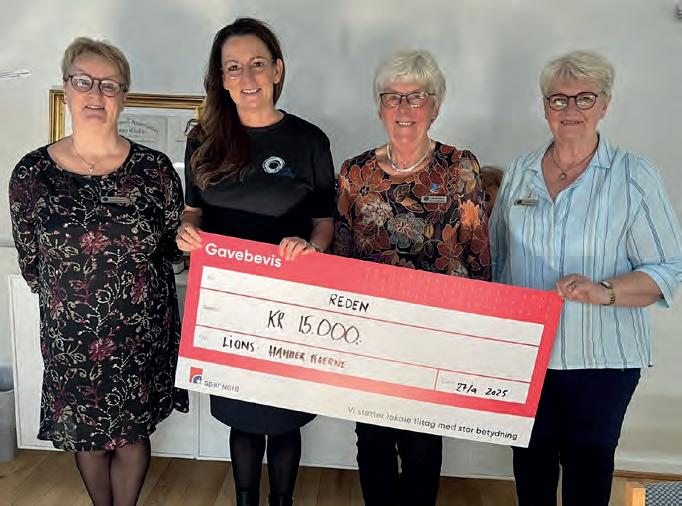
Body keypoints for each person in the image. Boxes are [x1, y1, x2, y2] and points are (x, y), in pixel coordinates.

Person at [489, 50, 682, 506]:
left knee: (587, 479)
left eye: (584, 98)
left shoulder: (634, 177)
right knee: (531, 471)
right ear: (545, 106)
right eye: (558, 99)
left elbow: (668, 268)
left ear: (605, 105)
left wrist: (604, 291)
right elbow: (497, 259)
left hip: (601, 362)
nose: (570, 109)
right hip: (527, 357)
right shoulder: (520, 172)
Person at [8, 37, 187, 506]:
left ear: (123, 96)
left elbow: (173, 252)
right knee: (86, 438)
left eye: (109, 85)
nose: (96, 93)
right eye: (84, 81)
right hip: (71, 337)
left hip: (139, 334)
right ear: (66, 88)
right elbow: (31, 262)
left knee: (130, 436)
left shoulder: (154, 170)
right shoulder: (31, 174)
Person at [175, 18, 335, 506]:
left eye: (257, 64)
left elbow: (324, 221)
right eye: (233, 67)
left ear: (277, 70)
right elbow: (193, 211)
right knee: (241, 415)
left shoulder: (309, 141)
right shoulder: (203, 139)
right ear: (221, 78)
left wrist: (313, 248)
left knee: (284, 417)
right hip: (228, 307)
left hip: (291, 303)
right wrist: (187, 232)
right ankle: (245, 499)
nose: (247, 77)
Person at [332, 49, 491, 506]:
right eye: (392, 97)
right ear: (379, 106)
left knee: (421, 444)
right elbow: (340, 253)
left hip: (435, 337)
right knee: (373, 439)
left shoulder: (459, 167)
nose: (404, 108)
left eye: (416, 97)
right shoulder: (354, 172)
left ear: (435, 105)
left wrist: (479, 330)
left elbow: (478, 253)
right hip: (371, 336)